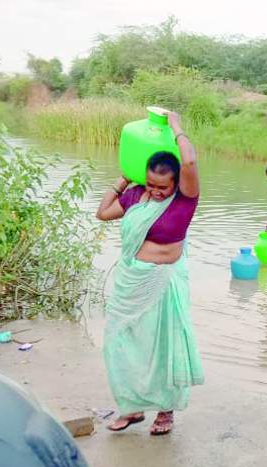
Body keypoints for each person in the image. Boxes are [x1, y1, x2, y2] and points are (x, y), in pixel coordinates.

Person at [94, 111, 204, 436]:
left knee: (163, 347)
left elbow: (190, 165)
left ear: (175, 184)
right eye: (152, 184)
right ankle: (131, 407)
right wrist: (123, 180)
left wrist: (176, 127)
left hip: (163, 282)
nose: (156, 191)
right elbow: (102, 214)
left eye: (163, 187)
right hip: (131, 281)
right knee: (119, 341)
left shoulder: (184, 201)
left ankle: (165, 412)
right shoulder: (134, 195)